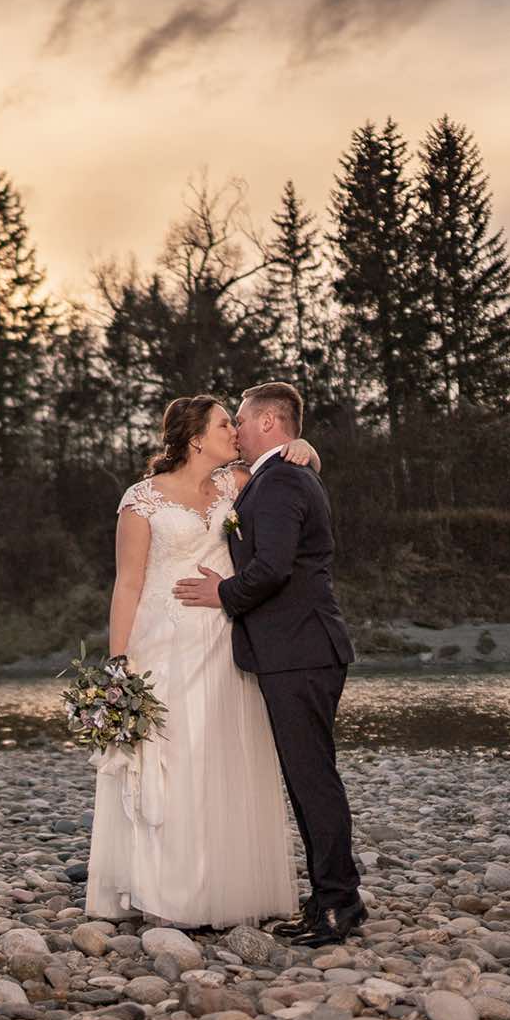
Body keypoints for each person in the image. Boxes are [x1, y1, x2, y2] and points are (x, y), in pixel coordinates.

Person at [83, 393, 318, 930]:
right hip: (163, 641)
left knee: (223, 756)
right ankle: (165, 889)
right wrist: (118, 663)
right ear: (195, 438)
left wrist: (303, 444)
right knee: (174, 757)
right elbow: (128, 583)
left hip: (223, 639)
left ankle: (223, 888)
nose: (234, 432)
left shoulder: (234, 485)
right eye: (222, 424)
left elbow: (290, 463)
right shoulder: (142, 499)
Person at [172, 381, 362, 946]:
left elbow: (275, 566)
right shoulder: (279, 476)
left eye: (242, 422)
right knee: (308, 779)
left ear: (270, 424)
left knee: (313, 780)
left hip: (301, 651)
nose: (237, 431)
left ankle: (338, 904)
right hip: (297, 651)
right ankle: (329, 898)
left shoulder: (280, 479)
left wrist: (223, 595)